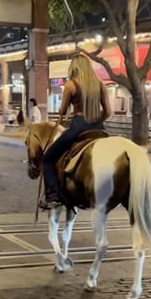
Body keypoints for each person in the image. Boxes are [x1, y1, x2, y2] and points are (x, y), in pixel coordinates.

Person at [40, 54, 112, 209]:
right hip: (99, 127)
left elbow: (63, 110)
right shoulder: (100, 85)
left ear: (74, 68)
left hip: (78, 126)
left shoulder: (71, 85)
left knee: (48, 159)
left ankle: (52, 196)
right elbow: (108, 111)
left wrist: (63, 111)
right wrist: (96, 118)